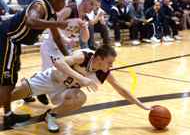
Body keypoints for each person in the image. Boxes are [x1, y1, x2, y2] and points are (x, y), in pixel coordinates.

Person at [11, 45, 152, 133]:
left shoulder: (104, 72)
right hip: (50, 79)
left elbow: (121, 90)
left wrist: (142, 105)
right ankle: (29, 84)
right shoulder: (84, 56)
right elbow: (59, 62)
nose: (111, 66)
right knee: (10, 97)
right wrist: (81, 78)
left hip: (64, 91)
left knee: (80, 98)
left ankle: (51, 115)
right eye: (109, 62)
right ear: (98, 58)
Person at [0, 0, 80, 129]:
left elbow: (57, 38)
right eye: (62, 1)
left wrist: (69, 58)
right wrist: (57, 23)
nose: (63, 5)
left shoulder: (51, 15)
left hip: (14, 42)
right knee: (7, 81)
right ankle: (7, 117)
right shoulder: (40, 5)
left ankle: (8, 114)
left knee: (11, 80)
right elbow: (30, 21)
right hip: (7, 38)